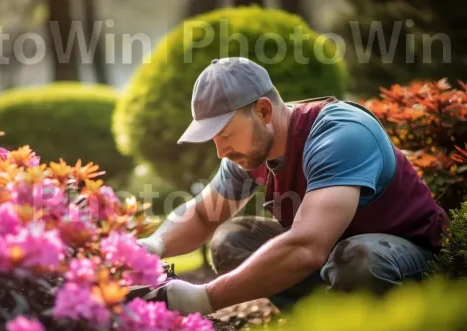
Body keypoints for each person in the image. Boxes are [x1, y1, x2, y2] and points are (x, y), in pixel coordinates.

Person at [136, 57, 449, 316]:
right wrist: (152, 246)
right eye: (214, 140)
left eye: (226, 135)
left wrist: (202, 298)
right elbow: (204, 216)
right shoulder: (251, 149)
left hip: (409, 259)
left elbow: (307, 247)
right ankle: (322, 325)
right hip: (333, 257)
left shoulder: (339, 134)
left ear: (263, 111)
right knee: (231, 241)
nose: (221, 152)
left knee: (359, 258)